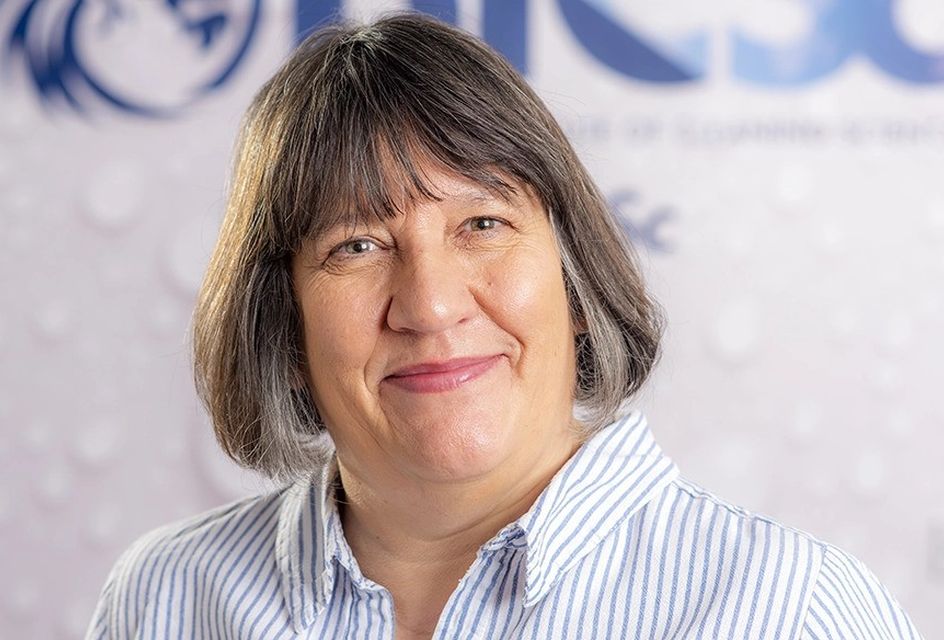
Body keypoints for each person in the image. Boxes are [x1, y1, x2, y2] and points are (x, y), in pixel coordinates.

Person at [86, 12, 924, 640]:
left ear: (573, 275)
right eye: (358, 244)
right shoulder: (167, 600)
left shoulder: (788, 610)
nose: (431, 303)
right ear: (284, 326)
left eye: (481, 224)